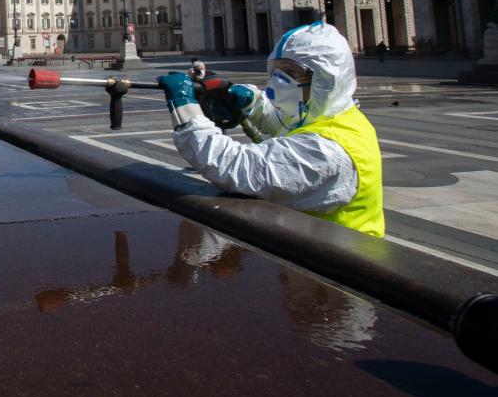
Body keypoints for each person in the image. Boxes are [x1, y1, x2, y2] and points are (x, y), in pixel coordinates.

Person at [156, 21, 384, 237]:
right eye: (275, 71)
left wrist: (185, 107)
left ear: (328, 79)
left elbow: (235, 167)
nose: (278, 82)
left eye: (291, 73)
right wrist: (250, 103)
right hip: (320, 255)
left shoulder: (328, 151)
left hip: (339, 269)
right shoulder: (338, 116)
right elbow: (285, 124)